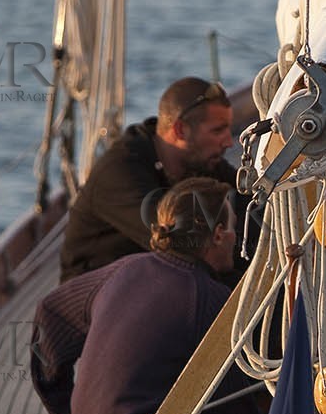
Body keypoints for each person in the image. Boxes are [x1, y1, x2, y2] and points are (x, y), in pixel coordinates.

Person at [32, 178, 265, 414]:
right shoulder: (209, 298)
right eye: (234, 228)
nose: (237, 238)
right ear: (219, 235)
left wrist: (64, 412)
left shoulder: (124, 269)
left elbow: (51, 312)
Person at [58, 77, 238, 282]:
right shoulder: (119, 172)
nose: (229, 142)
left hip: (151, 282)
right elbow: (181, 247)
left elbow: (246, 200)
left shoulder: (201, 161)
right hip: (99, 296)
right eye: (217, 130)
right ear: (180, 130)